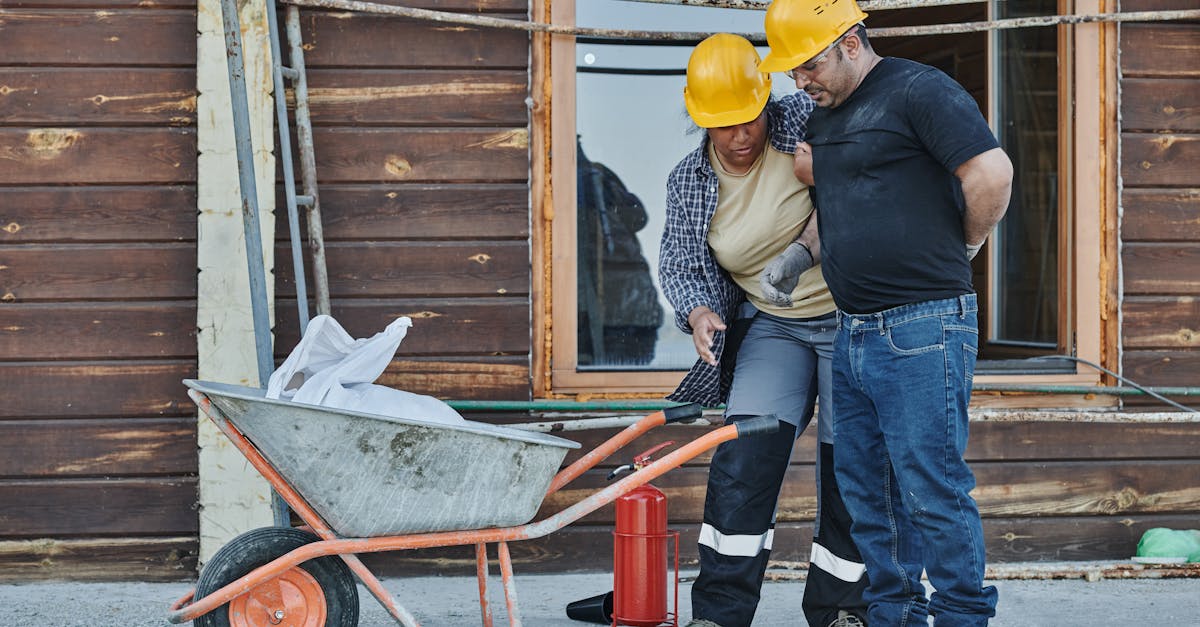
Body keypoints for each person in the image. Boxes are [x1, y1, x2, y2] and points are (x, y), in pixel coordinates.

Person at [758, 1, 1015, 625]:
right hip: (852, 331)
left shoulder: (918, 90)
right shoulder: (824, 118)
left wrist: (967, 244)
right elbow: (840, 204)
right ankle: (894, 613)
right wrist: (801, 253)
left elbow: (991, 172)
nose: (801, 81)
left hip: (922, 326)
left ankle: (960, 616)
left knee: (931, 487)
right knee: (867, 490)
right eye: (792, 72)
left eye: (809, 64)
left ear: (849, 42)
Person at [659, 33, 868, 627]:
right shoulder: (689, 181)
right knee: (743, 461)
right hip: (775, 326)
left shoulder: (805, 119)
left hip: (851, 317)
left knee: (849, 465)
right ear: (701, 120)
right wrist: (698, 312)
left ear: (765, 104)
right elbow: (681, 262)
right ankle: (721, 613)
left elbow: (866, 177)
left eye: (749, 119)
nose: (741, 136)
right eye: (724, 125)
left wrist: (821, 169)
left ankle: (841, 610)